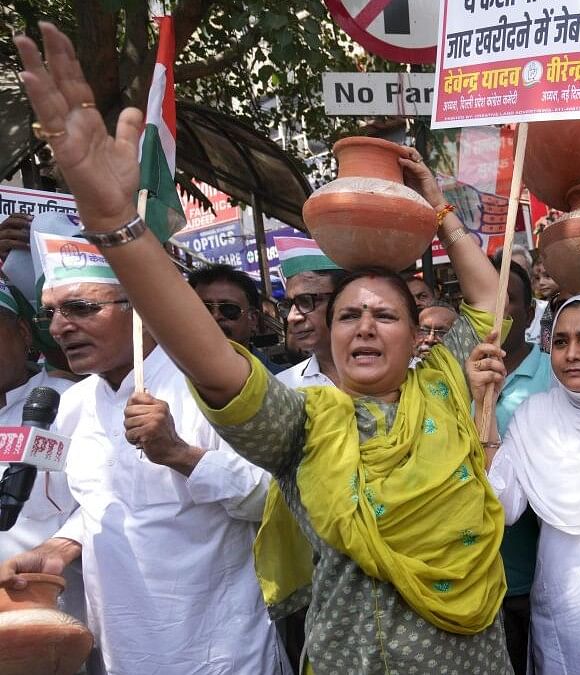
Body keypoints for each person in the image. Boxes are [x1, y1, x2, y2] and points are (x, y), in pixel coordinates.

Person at [10, 23, 514, 671]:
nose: (362, 325)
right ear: (327, 338)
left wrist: (440, 211)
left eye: (384, 314)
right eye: (347, 314)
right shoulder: (305, 424)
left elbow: (489, 300)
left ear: (420, 338)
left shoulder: (448, 384)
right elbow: (216, 364)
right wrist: (119, 227)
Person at [1, 230, 283, 673]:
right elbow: (100, 503)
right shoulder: (75, 403)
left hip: (220, 651)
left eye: (81, 308)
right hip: (120, 652)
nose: (59, 328)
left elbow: (277, 498)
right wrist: (58, 548)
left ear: (144, 311)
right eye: (51, 313)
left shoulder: (213, 385)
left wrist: (180, 454)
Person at [470, 294, 580, 674]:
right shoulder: (535, 415)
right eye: (561, 342)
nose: (572, 355)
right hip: (563, 606)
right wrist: (484, 407)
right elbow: (501, 504)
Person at [0, 279, 83, 627]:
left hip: (50, 620)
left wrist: (59, 548)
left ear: (23, 332)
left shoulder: (70, 402)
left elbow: (102, 503)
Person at [481, 260, 545, 675]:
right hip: (474, 579)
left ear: (528, 311)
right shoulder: (452, 376)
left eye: (507, 302)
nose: (495, 315)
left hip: (532, 583)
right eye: (484, 303)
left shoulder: (556, 376)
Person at [189, 263, 286, 374]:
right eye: (203, 309)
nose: (215, 316)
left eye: (229, 309)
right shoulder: (171, 381)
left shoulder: (283, 381)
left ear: (253, 319)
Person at [275, 236, 345, 389]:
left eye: (306, 301)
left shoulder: (401, 377)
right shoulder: (284, 388)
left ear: (344, 299)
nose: (292, 317)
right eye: (288, 305)